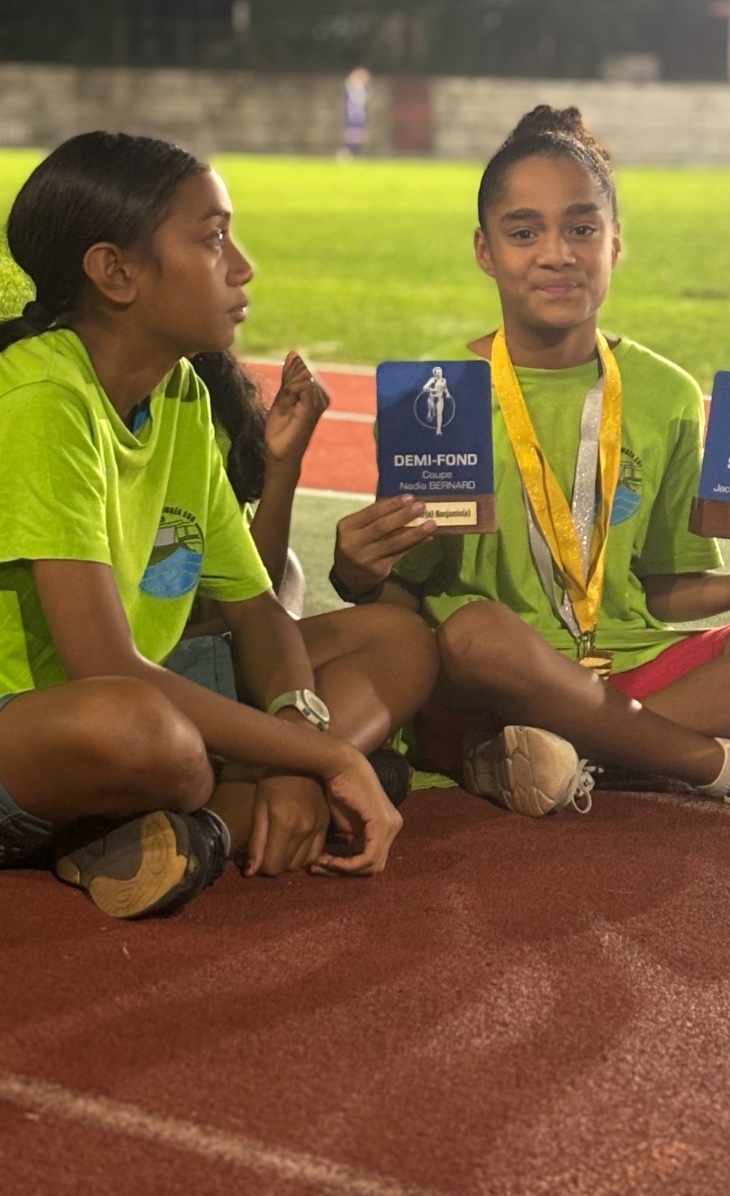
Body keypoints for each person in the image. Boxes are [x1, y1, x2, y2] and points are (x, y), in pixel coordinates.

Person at [328, 105, 730, 817]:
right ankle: (726, 762)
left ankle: (547, 756)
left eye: (581, 229)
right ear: (484, 250)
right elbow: (403, 603)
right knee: (477, 632)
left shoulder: (665, 392)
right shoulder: (432, 394)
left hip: (631, 667)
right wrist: (361, 572)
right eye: (524, 232)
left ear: (615, 242)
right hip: (494, 679)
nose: (557, 254)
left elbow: (660, 589)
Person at [0, 132, 437, 918]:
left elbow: (259, 609)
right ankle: (220, 812)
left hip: (141, 694)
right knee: (145, 732)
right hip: (46, 720)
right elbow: (105, 667)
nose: (242, 267)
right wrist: (329, 756)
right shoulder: (42, 400)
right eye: (212, 239)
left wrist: (298, 741)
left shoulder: (179, 393)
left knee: (396, 640)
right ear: (116, 272)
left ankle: (185, 827)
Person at [186, 346, 416, 803]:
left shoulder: (206, 393)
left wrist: (283, 467)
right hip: (132, 687)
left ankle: (281, 771)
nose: (243, 275)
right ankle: (257, 798)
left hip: (201, 658)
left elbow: (250, 591)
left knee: (402, 639)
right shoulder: (76, 401)